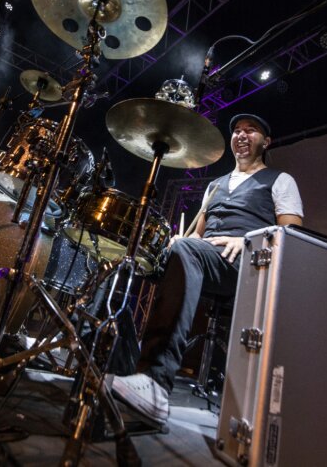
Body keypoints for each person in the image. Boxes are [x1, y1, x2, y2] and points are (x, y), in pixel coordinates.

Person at [110, 113, 303, 424]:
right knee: (133, 256)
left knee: (187, 251)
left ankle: (156, 384)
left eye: (251, 130)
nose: (241, 135)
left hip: (246, 264)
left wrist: (247, 240)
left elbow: (291, 234)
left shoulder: (280, 180)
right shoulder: (214, 186)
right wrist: (180, 241)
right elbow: (198, 237)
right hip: (205, 257)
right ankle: (110, 358)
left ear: (266, 142)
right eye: (237, 130)